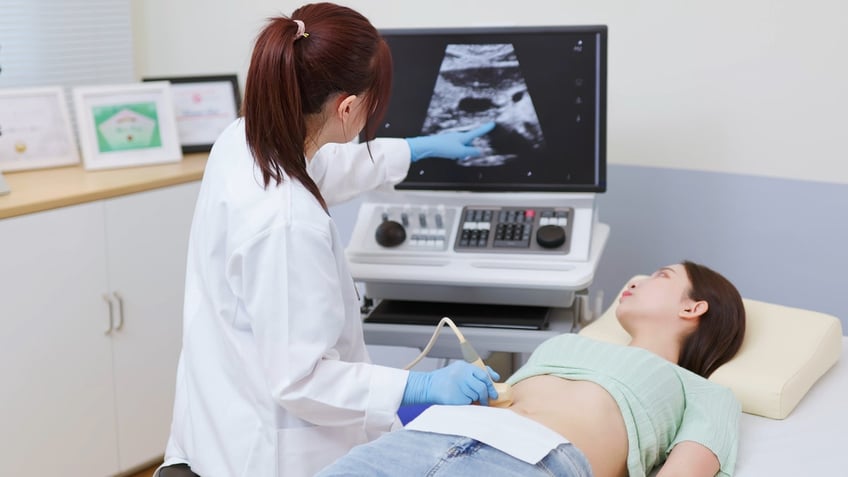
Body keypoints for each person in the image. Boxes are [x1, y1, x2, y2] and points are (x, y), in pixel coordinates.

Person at [157, 3, 499, 477]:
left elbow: (322, 167)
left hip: (220, 414)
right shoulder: (287, 224)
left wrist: (415, 149)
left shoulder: (243, 139)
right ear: (346, 107)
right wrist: (417, 388)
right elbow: (302, 381)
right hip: (267, 453)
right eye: (374, 102)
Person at [317, 261, 747, 477]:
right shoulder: (570, 344)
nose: (636, 279)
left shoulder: (701, 390)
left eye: (661, 275)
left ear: (693, 307)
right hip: (423, 437)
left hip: (533, 462)